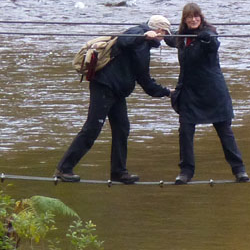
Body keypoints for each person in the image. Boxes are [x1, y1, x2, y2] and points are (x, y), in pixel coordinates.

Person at [54, 15, 172, 184]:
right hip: (104, 86)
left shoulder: (144, 49)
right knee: (92, 128)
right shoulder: (137, 33)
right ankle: (64, 168)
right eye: (164, 34)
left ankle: (118, 172)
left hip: (117, 92)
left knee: (122, 129)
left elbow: (145, 80)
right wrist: (144, 35)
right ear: (158, 30)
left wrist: (167, 92)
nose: (163, 38)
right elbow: (124, 41)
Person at [167, 3, 249, 184]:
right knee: (185, 131)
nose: (193, 19)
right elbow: (169, 38)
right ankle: (186, 172)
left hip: (213, 92)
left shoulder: (208, 34)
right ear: (185, 20)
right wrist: (156, 31)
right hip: (189, 92)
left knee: (224, 131)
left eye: (196, 16)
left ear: (201, 17)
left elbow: (214, 43)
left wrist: (206, 38)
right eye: (189, 17)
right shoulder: (181, 37)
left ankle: (239, 170)